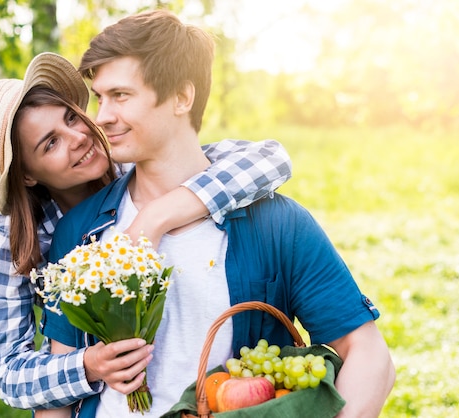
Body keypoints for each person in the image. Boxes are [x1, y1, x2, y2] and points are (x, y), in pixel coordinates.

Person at [41, 9, 395, 418]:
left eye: (120, 96)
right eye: (100, 98)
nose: (101, 117)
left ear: (181, 97)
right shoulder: (81, 232)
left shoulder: (278, 225)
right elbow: (58, 396)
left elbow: (370, 355)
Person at [0, 52, 293, 410]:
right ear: (27, 174)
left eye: (72, 117)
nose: (79, 137)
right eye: (51, 143)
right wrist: (89, 366)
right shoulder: (13, 238)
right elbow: (9, 373)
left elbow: (270, 159)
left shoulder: (138, 167)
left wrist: (154, 217)